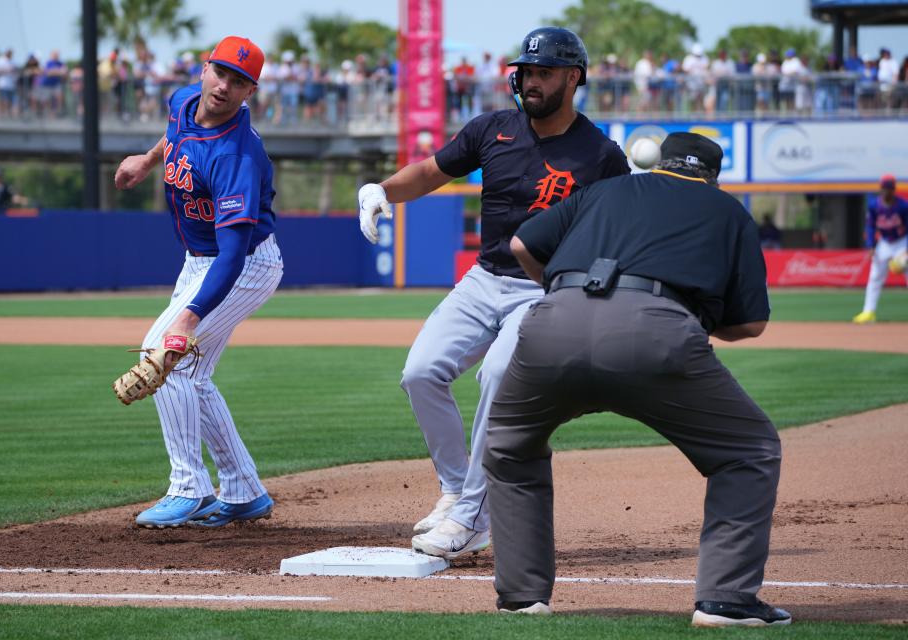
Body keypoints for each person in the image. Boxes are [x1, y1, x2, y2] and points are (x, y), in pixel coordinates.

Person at [483, 132, 790, 627]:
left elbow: (521, 242)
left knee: (508, 448)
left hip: (553, 322)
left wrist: (567, 294)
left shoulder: (603, 189)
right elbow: (750, 323)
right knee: (748, 451)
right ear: (712, 176)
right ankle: (725, 602)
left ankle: (522, 597)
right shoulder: (727, 211)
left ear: (662, 163)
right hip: (656, 334)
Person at [356, 27, 629, 560]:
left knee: (500, 376)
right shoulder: (492, 129)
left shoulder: (600, 154)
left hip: (544, 290)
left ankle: (474, 517)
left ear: (573, 78)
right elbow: (433, 172)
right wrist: (381, 190)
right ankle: (457, 488)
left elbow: (621, 228)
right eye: (526, 70)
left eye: (544, 72)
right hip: (483, 280)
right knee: (420, 372)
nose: (530, 80)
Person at [113, 35, 283, 528]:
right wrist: (148, 162)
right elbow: (175, 135)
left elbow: (232, 256)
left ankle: (189, 488)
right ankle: (244, 491)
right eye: (220, 73)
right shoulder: (185, 99)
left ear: (250, 92)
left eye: (239, 81)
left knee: (161, 354)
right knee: (193, 375)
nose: (224, 86)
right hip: (198, 259)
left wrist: (187, 320)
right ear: (205, 69)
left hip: (244, 266)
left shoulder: (238, 158)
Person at [853, 174, 908, 324]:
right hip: (884, 242)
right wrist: (870, 245)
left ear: (894, 190)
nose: (886, 191)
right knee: (875, 276)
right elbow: (870, 226)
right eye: (884, 188)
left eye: (889, 188)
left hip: (902, 242)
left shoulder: (903, 206)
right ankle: (868, 311)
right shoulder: (874, 205)